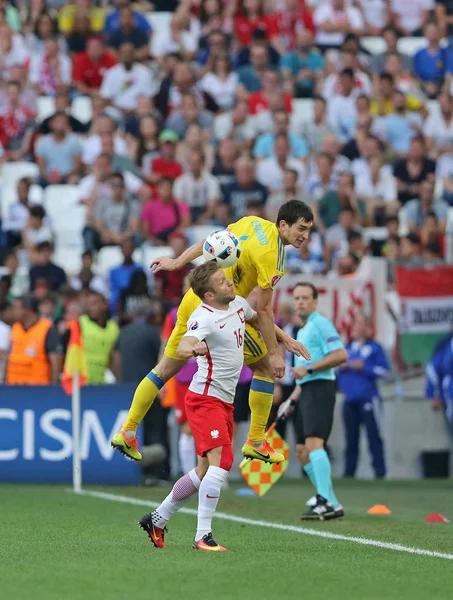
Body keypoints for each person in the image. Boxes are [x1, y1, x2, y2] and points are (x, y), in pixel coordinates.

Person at [111, 200, 313, 464]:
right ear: (283, 225)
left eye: (309, 230)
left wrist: (176, 262)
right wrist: (276, 353)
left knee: (163, 371)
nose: (305, 236)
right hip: (221, 311)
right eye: (301, 228)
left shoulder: (251, 222)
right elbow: (262, 311)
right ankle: (256, 441)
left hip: (193, 299)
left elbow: (210, 241)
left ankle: (127, 431)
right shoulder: (273, 257)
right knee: (264, 369)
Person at [138, 261, 270, 551]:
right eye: (222, 282)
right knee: (221, 463)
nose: (229, 283)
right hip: (204, 399)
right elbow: (185, 343)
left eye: (226, 278)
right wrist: (191, 348)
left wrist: (286, 342)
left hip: (223, 401)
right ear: (208, 295)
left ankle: (157, 519)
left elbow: (258, 318)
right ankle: (203, 536)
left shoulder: (236, 304)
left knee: (202, 471)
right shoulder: (204, 316)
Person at [286, 282, 347, 520]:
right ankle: (330, 500)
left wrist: (309, 369)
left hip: (320, 388)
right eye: (297, 298)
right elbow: (302, 373)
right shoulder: (302, 330)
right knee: (302, 450)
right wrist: (292, 398)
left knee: (314, 443)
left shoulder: (320, 323)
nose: (300, 301)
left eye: (304, 298)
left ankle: (324, 500)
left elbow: (341, 355)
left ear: (315, 302)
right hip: (306, 391)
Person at [336, 313, 390, 478]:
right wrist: (341, 368)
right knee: (351, 439)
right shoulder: (345, 349)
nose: (358, 328)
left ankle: (380, 473)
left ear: (367, 328)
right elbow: (336, 373)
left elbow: (385, 371)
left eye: (361, 324)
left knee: (373, 437)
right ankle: (349, 473)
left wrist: (364, 367)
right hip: (349, 400)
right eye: (356, 324)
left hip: (368, 398)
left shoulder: (375, 348)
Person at [63, 291, 120, 385]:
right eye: (88, 305)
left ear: (105, 305)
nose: (91, 308)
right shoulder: (78, 324)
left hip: (101, 381)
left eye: (94, 303)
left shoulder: (113, 329)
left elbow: (113, 356)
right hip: (80, 382)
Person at [6, 293, 61, 385]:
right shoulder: (15, 328)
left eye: (16, 308)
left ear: (27, 310)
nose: (12, 311)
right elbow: (8, 357)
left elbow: (55, 361)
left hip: (37, 390)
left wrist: (53, 389)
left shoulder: (47, 329)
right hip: (13, 388)